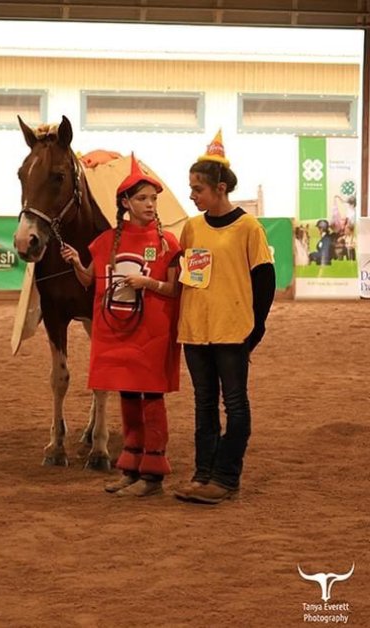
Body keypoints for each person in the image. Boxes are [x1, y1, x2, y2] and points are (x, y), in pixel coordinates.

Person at [61, 154, 182, 497]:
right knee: (128, 397)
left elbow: (175, 289)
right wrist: (76, 263)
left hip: (152, 336)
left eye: (153, 198)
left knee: (152, 399)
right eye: (142, 198)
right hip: (119, 335)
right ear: (125, 203)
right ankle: (131, 467)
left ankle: (153, 474)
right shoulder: (105, 242)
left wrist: (149, 284)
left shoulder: (168, 243)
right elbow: (90, 281)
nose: (150, 204)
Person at [173, 130, 275, 505]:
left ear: (220, 188)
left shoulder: (248, 227)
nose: (192, 195)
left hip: (232, 332)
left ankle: (226, 478)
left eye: (197, 188)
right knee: (203, 405)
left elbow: (265, 280)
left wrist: (255, 329)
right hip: (195, 330)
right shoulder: (192, 228)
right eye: (191, 188)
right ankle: (203, 474)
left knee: (235, 405)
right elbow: (186, 274)